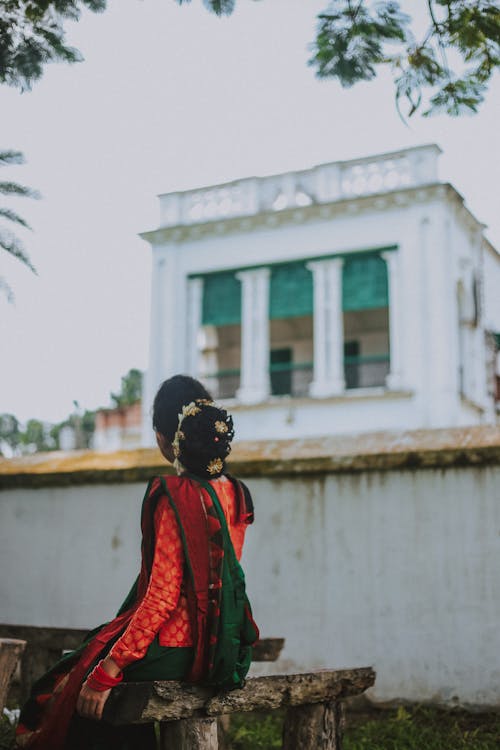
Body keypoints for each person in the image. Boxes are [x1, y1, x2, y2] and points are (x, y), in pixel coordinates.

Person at [15, 375, 259, 750]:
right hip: (225, 650)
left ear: (167, 438)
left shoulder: (174, 494)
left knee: (73, 682)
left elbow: (162, 597)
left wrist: (109, 670)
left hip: (180, 652)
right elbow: (222, 582)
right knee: (91, 653)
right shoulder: (236, 493)